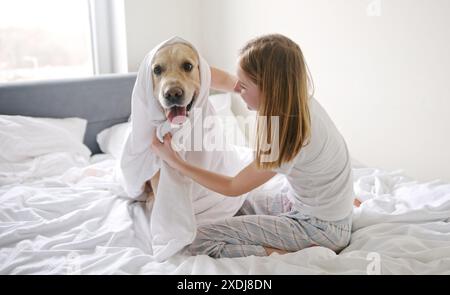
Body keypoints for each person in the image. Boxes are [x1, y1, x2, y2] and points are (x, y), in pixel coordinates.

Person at [151, 34, 355, 258]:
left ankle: (283, 252)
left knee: (198, 240)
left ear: (269, 87)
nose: (239, 92)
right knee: (231, 207)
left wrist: (175, 162)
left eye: (245, 87)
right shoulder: (295, 99)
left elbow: (233, 186)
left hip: (319, 229)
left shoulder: (288, 129)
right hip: (312, 208)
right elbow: (217, 79)